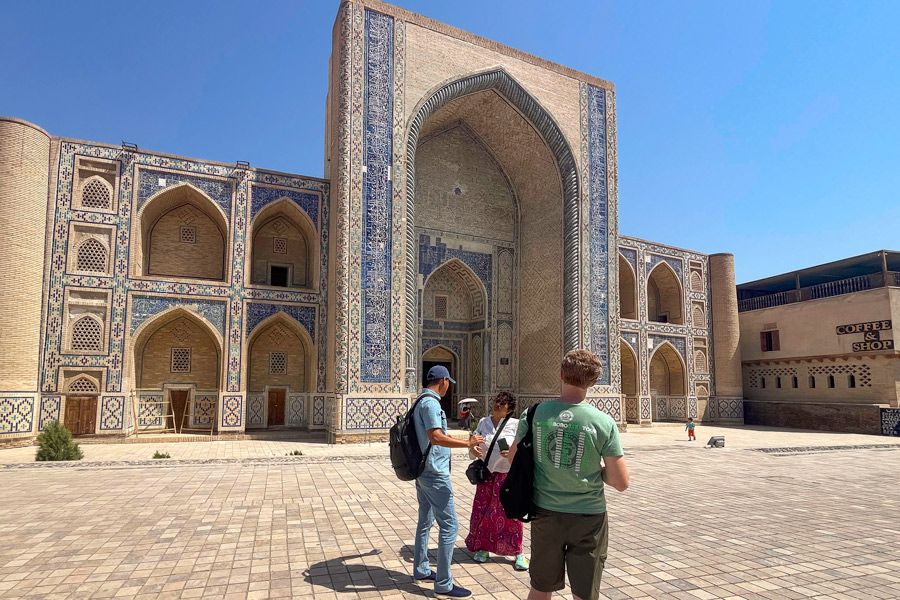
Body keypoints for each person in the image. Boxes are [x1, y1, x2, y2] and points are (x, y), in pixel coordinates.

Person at [509, 349, 630, 600]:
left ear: (561, 373)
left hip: (545, 513)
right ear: (594, 382)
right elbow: (620, 482)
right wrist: (594, 470)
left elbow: (512, 458)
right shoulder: (603, 422)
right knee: (584, 593)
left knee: (541, 588)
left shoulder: (534, 414)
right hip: (588, 516)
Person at [413, 365, 485, 599]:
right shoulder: (432, 403)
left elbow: (437, 434)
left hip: (423, 471)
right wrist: (467, 444)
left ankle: (422, 569)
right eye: (448, 383)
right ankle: (444, 583)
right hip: (434, 473)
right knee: (450, 526)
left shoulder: (420, 400)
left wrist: (460, 439)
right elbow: (436, 437)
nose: (448, 387)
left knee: (425, 520)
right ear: (443, 381)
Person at [465, 391, 528, 571]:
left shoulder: (516, 425)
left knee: (511, 514)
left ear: (509, 409)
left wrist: (513, 455)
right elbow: (474, 443)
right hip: (487, 475)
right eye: (496, 401)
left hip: (506, 475)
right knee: (484, 512)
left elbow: (525, 449)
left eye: (502, 403)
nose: (497, 405)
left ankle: (518, 552)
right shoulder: (484, 423)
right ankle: (484, 547)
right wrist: (473, 448)